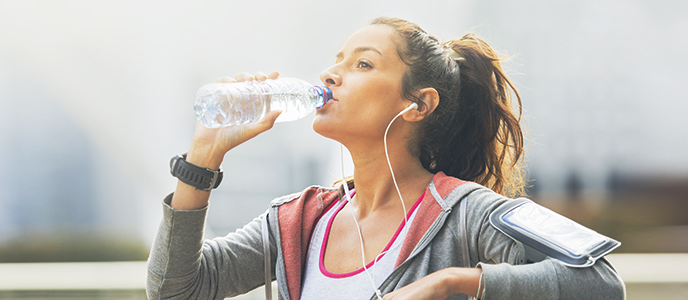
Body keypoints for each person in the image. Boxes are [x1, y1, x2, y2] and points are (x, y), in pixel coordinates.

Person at [147, 17, 625, 300]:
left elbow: (601, 282)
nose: (330, 74)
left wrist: (452, 282)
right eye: (337, 60)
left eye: (362, 63)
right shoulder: (298, 221)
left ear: (418, 104)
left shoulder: (464, 212)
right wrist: (203, 156)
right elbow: (176, 289)